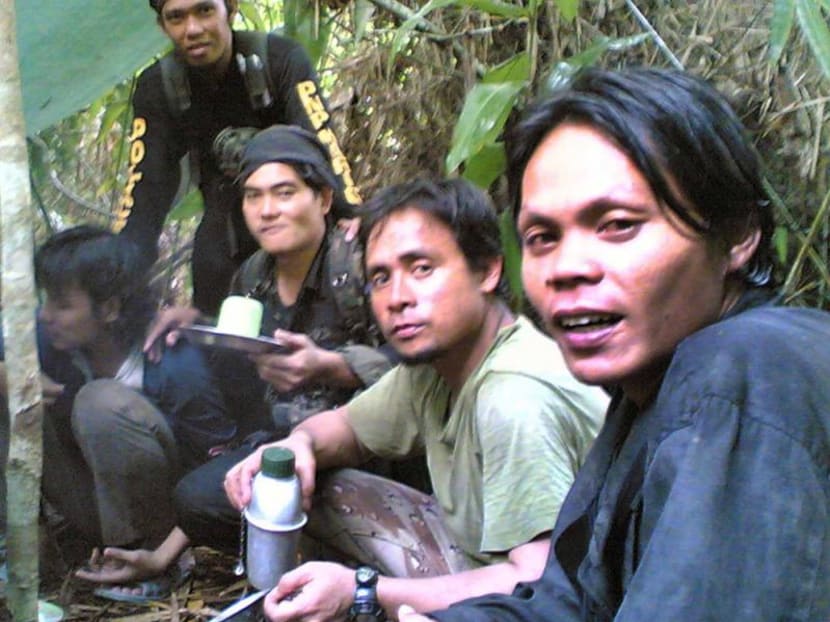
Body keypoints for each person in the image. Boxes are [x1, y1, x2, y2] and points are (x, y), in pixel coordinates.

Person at [399, 67, 830, 622]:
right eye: (542, 238)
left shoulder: (744, 374)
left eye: (619, 225)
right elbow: (571, 602)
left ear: (737, 235)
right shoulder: (648, 392)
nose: (567, 269)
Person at [222, 177, 608, 621]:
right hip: (483, 560)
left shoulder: (515, 397)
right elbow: (344, 427)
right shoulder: (433, 367)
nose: (397, 298)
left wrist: (363, 591)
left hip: (556, 601)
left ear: (487, 270)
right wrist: (296, 446)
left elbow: (536, 586)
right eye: (381, 278)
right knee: (308, 486)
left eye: (422, 268)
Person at [76, 125, 395, 598]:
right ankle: (312, 554)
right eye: (253, 196)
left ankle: (354, 564)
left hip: (376, 449)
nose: (267, 210)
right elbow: (262, 421)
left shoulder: (363, 260)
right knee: (198, 499)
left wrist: (333, 365)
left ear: (324, 199)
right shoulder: (253, 278)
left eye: (285, 193)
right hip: (294, 453)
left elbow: (418, 364)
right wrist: (161, 555)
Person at [0, 226, 237, 600]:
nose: (45, 315)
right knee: (7, 382)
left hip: (168, 523)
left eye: (62, 304)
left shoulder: (174, 363)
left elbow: (224, 475)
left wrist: (166, 551)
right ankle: (18, 540)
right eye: (45, 300)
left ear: (109, 308)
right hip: (89, 503)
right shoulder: (46, 338)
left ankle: (146, 562)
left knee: (100, 402)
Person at [113, 0, 361, 315]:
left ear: (231, 11)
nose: (193, 29)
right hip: (220, 244)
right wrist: (118, 274)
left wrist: (352, 216)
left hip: (296, 234)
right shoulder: (158, 87)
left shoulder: (280, 59)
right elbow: (144, 188)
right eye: (176, 18)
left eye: (204, 11)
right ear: (162, 27)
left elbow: (323, 146)